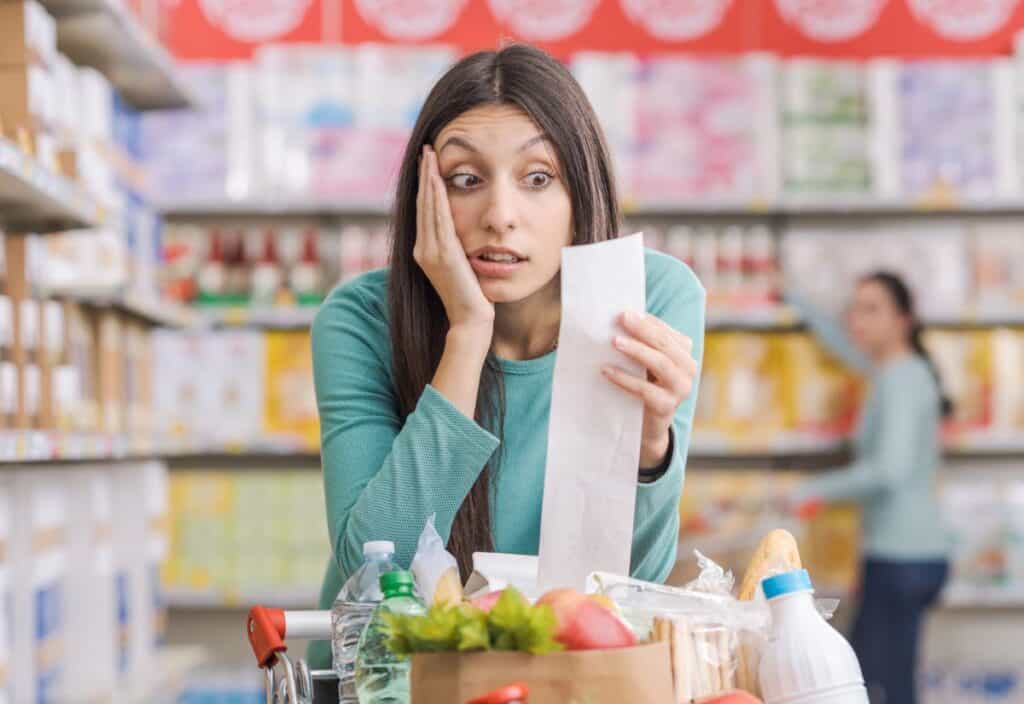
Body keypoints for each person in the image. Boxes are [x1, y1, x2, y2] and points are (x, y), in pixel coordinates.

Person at [306, 44, 706, 695]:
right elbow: (375, 568)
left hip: (564, 678)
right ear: (423, 196)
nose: (500, 214)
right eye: (465, 179)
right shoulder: (358, 319)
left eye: (538, 177)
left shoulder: (649, 298)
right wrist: (467, 331)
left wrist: (652, 446)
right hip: (388, 681)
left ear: (584, 191)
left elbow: (633, 589)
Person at [787, 272, 951, 704]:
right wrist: (792, 296)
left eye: (872, 309)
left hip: (900, 557)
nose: (857, 319)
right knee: (886, 678)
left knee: (876, 686)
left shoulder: (897, 379)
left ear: (904, 319)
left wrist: (810, 490)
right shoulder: (897, 370)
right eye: (854, 308)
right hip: (914, 554)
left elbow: (889, 470)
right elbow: (844, 346)